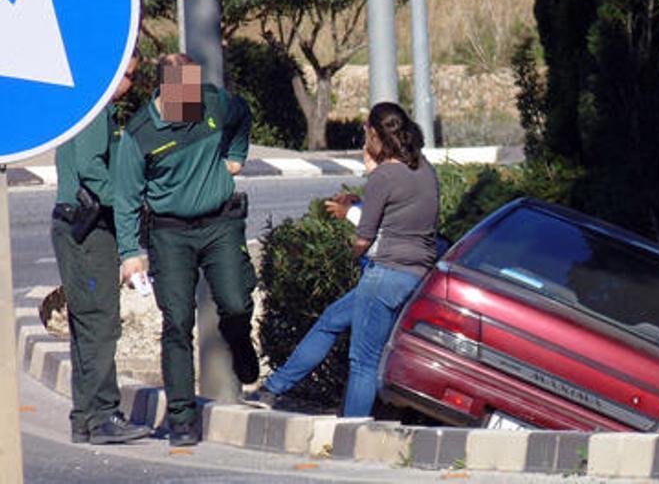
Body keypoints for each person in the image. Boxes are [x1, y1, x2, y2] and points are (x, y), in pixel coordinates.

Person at [246, 102, 440, 416]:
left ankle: (352, 430)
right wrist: (360, 202)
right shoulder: (423, 168)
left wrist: (350, 253)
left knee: (363, 362)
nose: (363, 137)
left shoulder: (384, 176)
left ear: (375, 135)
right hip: (415, 275)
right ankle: (274, 388)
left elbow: (364, 239)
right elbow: (402, 210)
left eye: (366, 132)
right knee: (331, 320)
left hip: (384, 275)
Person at [112, 53, 258, 446]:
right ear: (165, 90)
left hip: (219, 224)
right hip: (170, 234)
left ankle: (239, 340)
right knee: (177, 322)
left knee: (236, 301)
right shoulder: (140, 132)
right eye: (185, 95)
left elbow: (240, 114)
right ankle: (181, 417)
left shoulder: (211, 102)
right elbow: (126, 198)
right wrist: (129, 253)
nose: (194, 102)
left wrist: (235, 157)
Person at [51, 53, 151, 444]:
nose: (130, 84)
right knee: (99, 323)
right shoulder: (94, 112)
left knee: (86, 325)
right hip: (89, 228)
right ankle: (104, 415)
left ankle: (86, 416)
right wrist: (128, 201)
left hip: (77, 225)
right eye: (128, 76)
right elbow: (92, 169)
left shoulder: (86, 110)